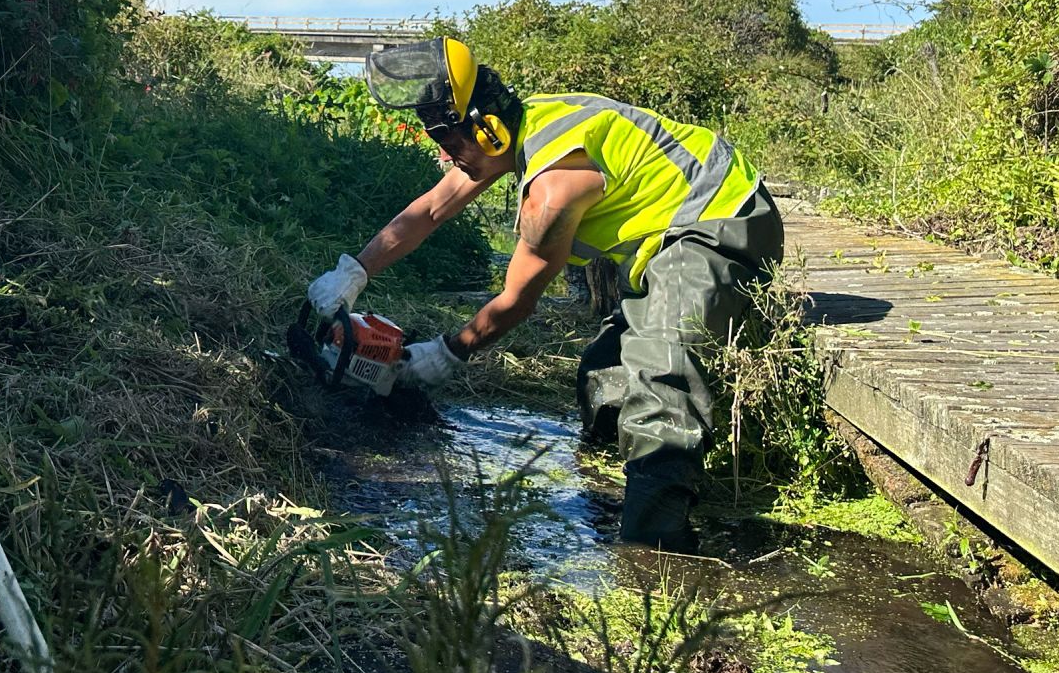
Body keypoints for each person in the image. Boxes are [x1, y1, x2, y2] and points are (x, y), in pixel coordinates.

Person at [305, 38, 784, 551]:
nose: (443, 155)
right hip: (664, 236)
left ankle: (654, 549)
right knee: (602, 376)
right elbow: (429, 210)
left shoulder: (551, 194)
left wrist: (448, 352)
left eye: (449, 142)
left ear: (487, 132)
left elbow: (518, 300)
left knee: (658, 375)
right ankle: (604, 493)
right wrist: (353, 271)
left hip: (723, 217)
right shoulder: (526, 127)